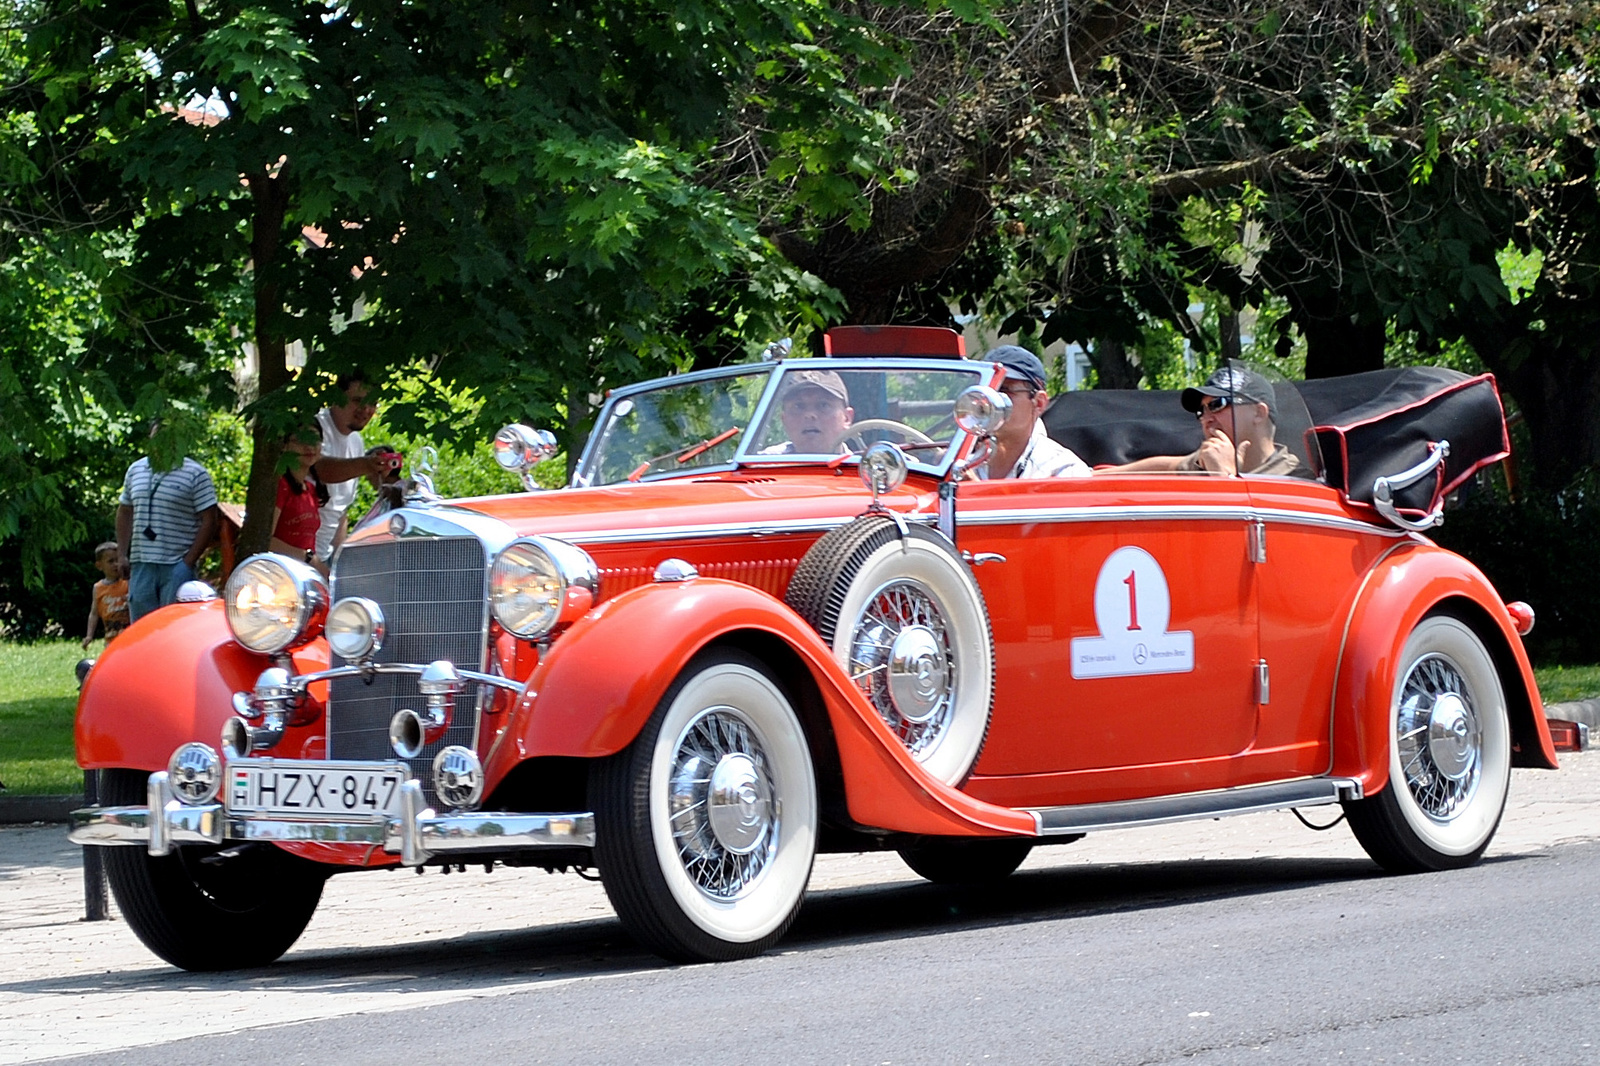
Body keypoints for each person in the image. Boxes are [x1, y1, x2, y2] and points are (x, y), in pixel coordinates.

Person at [1105, 364, 1309, 478]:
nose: (1206, 419)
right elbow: (1167, 466)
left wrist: (1225, 477)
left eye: (1218, 404)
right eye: (1201, 411)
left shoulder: (1295, 478)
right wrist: (1090, 477)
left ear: (1259, 412)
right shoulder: (1207, 462)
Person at [116, 449, 221, 622]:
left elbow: (210, 519)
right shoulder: (136, 469)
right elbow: (125, 510)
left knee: (174, 624)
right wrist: (121, 554)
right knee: (142, 628)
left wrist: (188, 562)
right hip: (142, 562)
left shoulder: (195, 473)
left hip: (176, 564)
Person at [975, 346, 1091, 479]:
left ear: (1039, 403)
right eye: (985, 390)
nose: (990, 400)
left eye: (1004, 390)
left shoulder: (1063, 470)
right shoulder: (955, 461)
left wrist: (971, 491)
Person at [312, 374, 390, 565]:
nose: (366, 409)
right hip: (297, 557)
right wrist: (367, 464)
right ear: (336, 397)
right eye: (357, 401)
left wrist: (338, 562)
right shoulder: (314, 428)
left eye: (373, 403)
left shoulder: (356, 442)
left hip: (323, 558)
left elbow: (341, 512)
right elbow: (322, 469)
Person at [271, 426, 330, 574]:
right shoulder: (279, 486)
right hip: (279, 574)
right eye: (300, 440)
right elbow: (266, 540)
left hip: (303, 575)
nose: (309, 446)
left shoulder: (310, 489)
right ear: (284, 446)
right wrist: (308, 558)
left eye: (314, 439)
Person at [762, 369, 856, 454]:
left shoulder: (863, 469)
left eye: (823, 405)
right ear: (784, 419)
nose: (809, 415)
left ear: (846, 418)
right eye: (798, 406)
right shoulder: (761, 466)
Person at [82, 542, 129, 649]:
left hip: (129, 635)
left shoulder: (127, 582)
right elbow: (94, 613)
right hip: (111, 639)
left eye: (118, 560)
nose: (116, 564)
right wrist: (89, 635)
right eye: (111, 561)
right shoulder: (98, 588)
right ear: (99, 565)